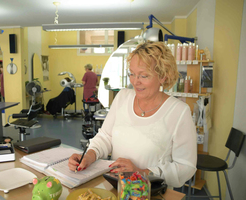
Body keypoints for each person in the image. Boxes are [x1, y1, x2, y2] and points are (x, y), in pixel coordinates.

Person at [68, 41, 197, 187]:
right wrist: (88, 156)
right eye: (132, 74)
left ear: (163, 76)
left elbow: (186, 166)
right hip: (118, 188)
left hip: (150, 192)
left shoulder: (179, 112)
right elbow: (105, 137)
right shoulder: (123, 97)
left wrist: (142, 172)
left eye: (144, 76)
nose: (135, 82)